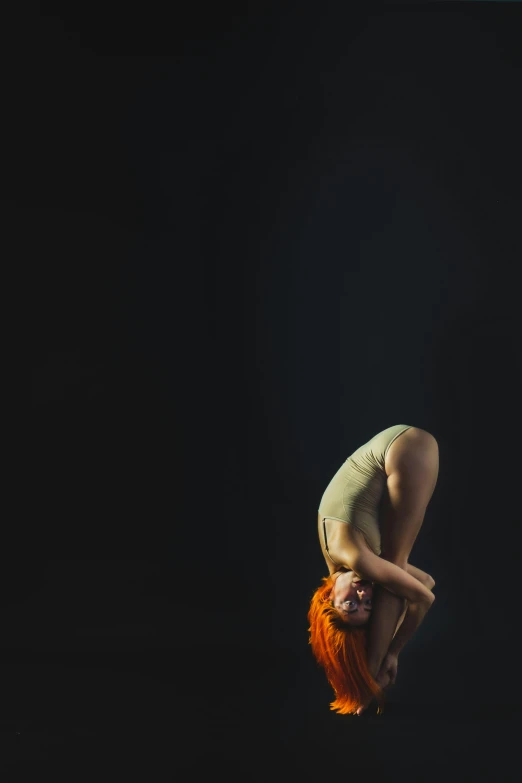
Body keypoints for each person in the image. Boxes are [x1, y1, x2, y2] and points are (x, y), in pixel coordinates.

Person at [308, 424, 439, 716]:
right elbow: (426, 582)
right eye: (367, 603)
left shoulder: (354, 556)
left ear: (328, 597)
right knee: (395, 572)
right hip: (404, 447)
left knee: (395, 568)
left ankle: (370, 677)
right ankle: (369, 676)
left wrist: (392, 653)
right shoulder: (343, 556)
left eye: (351, 603)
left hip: (406, 450)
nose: (364, 592)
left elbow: (424, 598)